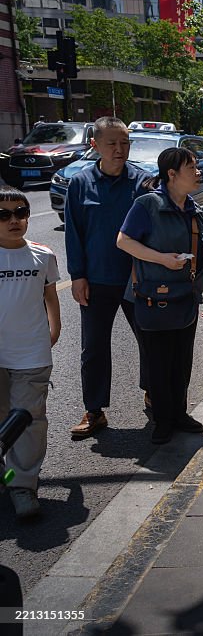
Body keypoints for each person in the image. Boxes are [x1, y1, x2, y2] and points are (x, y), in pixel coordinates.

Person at [116, 148, 203, 445]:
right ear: (171, 174)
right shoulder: (147, 205)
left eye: (197, 166)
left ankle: (180, 414)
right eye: (191, 168)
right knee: (158, 361)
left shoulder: (193, 209)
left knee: (181, 361)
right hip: (152, 297)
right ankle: (163, 419)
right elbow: (123, 241)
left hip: (186, 296)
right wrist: (162, 259)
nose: (198, 172)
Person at [65, 117, 151, 440]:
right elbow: (74, 234)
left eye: (125, 143)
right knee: (94, 348)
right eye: (112, 143)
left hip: (137, 278)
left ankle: (154, 394)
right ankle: (94, 410)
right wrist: (78, 276)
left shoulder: (143, 182)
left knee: (150, 339)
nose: (119, 149)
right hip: (97, 279)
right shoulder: (80, 184)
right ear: (95, 145)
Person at [0, 188, 60, 519]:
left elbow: (51, 297)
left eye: (20, 212)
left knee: (28, 420)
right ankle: (5, 476)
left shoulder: (43, 255)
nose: (13, 220)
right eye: (3, 215)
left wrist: (54, 328)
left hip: (32, 354)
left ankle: (23, 485)